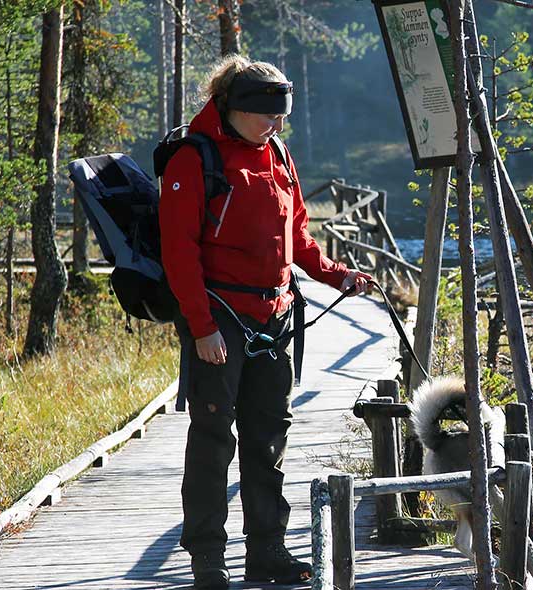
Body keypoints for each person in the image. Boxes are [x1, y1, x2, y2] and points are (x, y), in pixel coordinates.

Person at [159, 54, 370, 589]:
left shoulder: (276, 152)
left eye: (282, 116)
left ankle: (267, 551)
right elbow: (179, 254)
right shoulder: (194, 159)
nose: (276, 126)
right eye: (267, 116)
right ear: (234, 108)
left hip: (275, 314)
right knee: (212, 439)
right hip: (220, 319)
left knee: (268, 438)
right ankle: (207, 558)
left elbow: (297, 235)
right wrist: (202, 328)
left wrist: (335, 275)